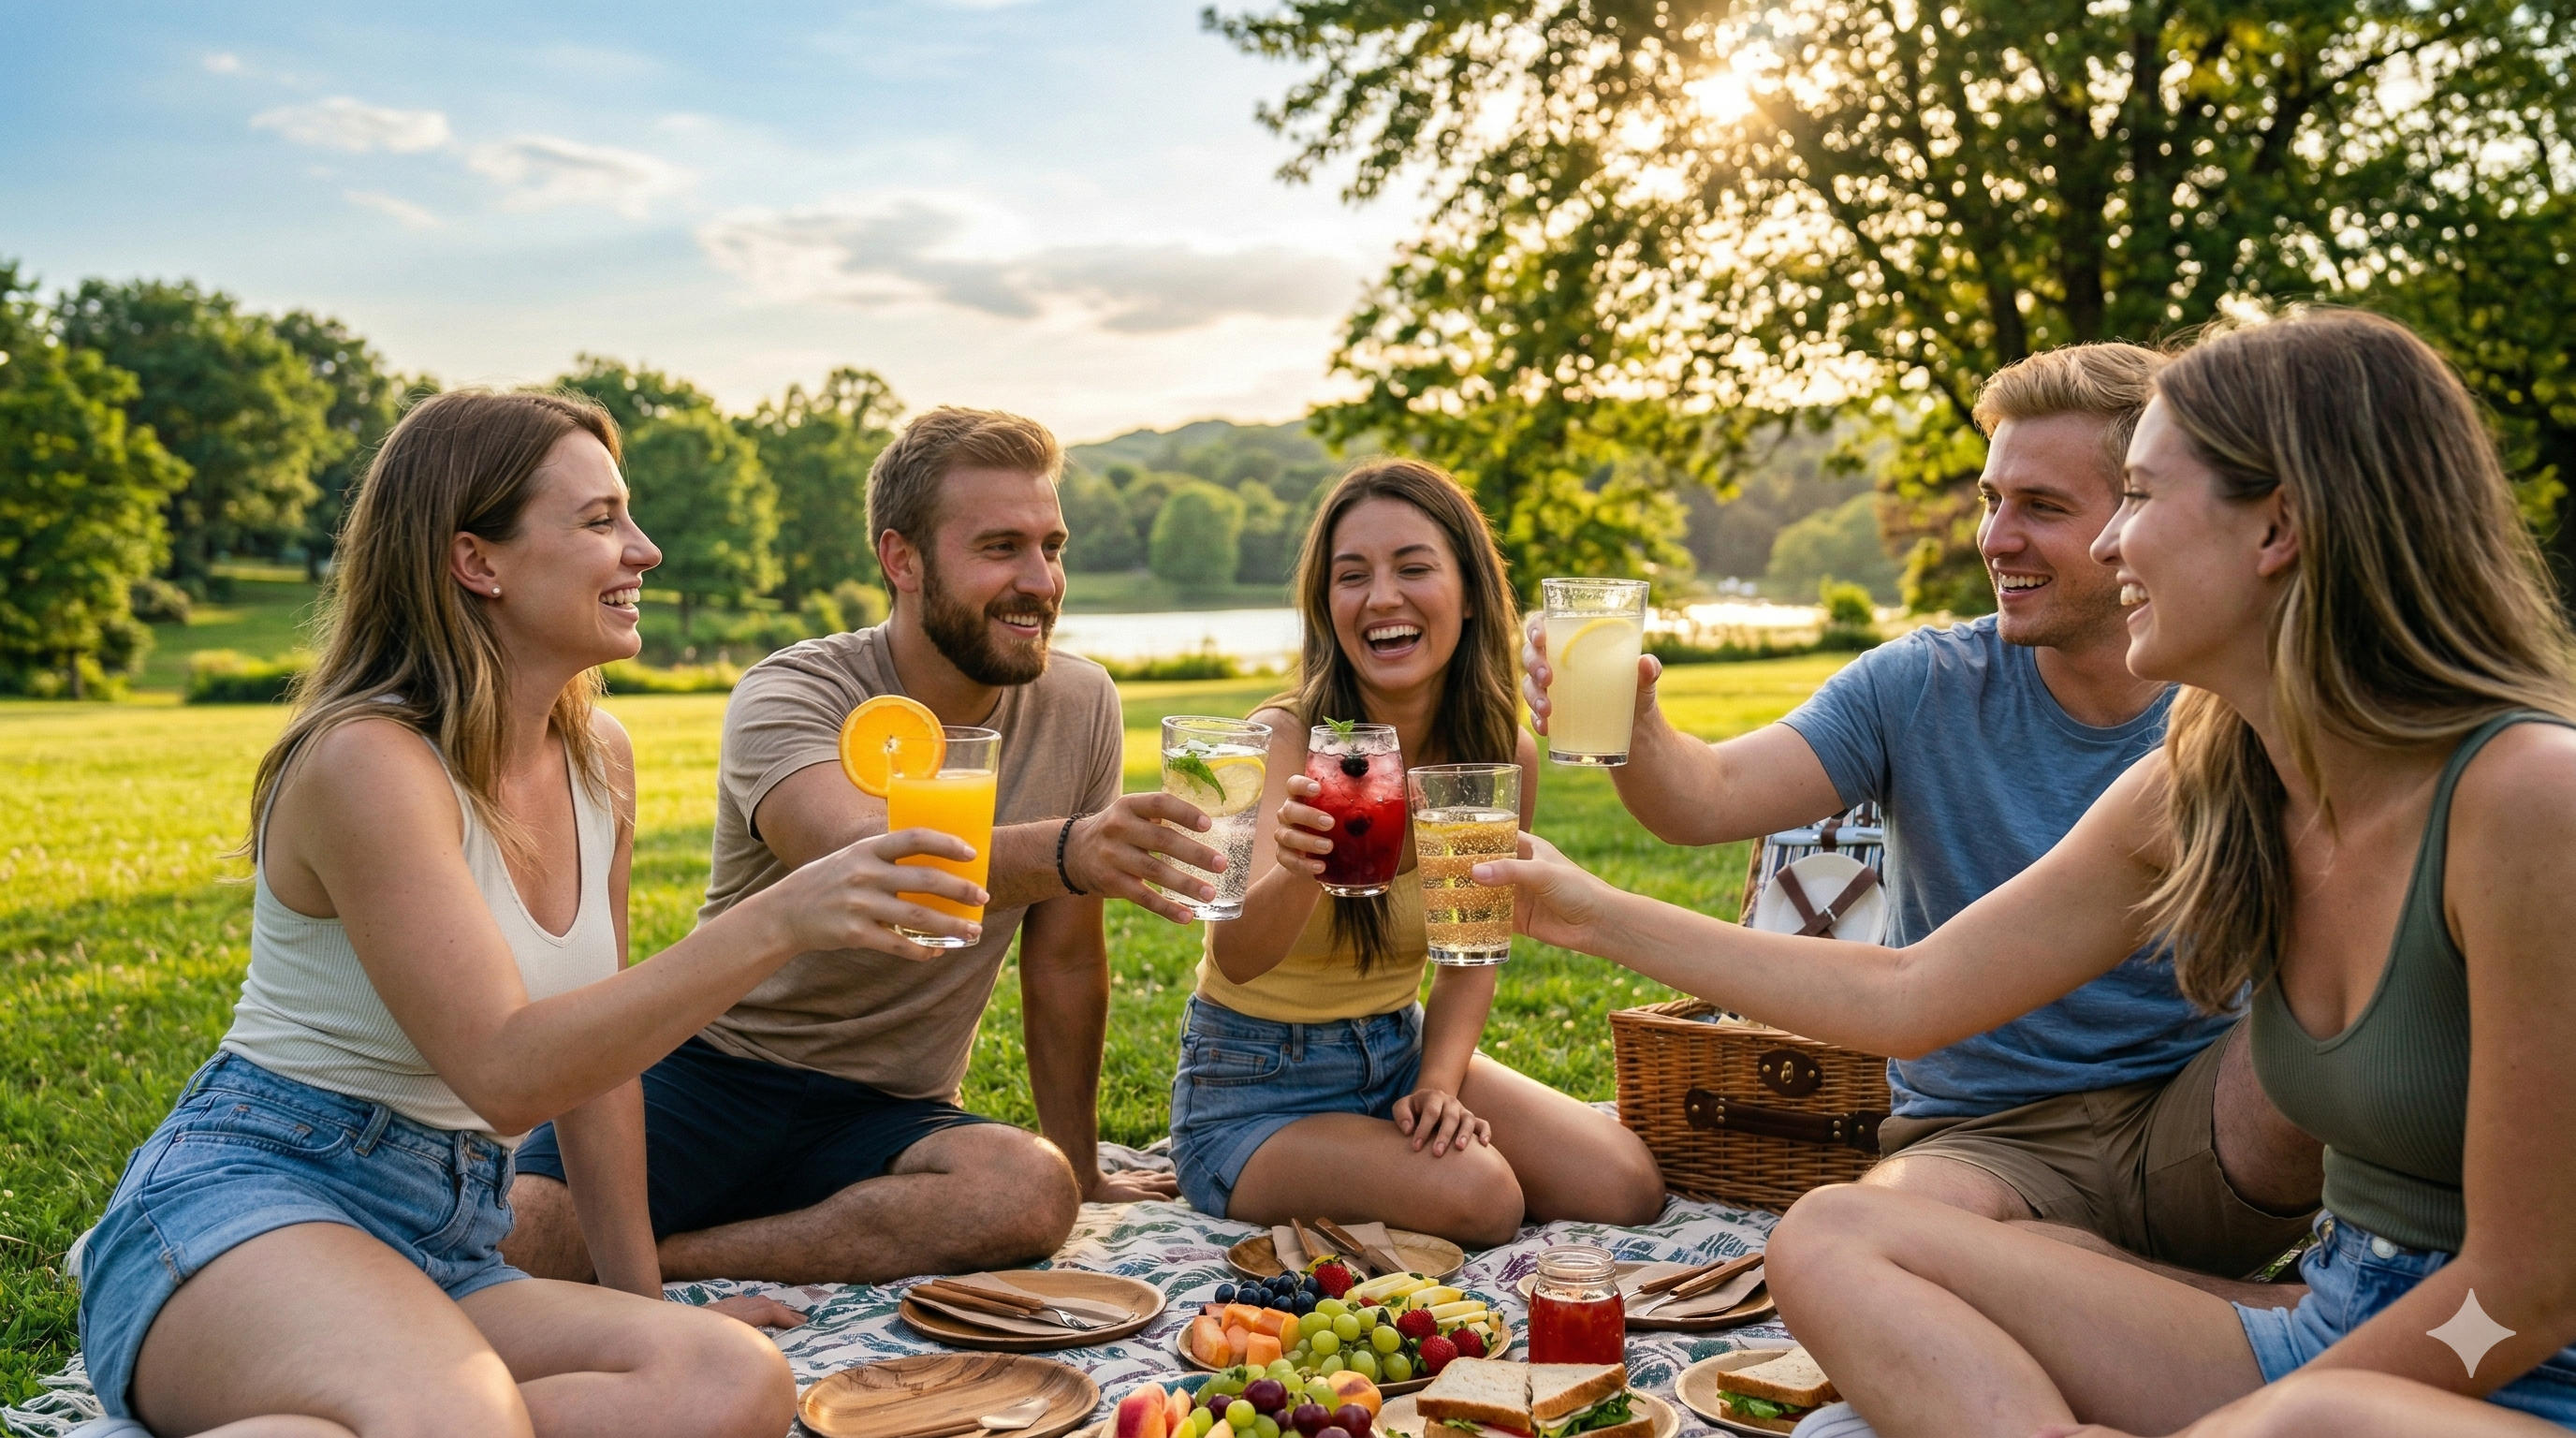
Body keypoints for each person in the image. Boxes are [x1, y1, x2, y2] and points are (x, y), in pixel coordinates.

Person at [1482, 309, 2576, 1432]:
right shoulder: (2211, 775)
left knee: (2310, 1425)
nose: (2110, 545)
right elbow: (1912, 995)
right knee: (1831, 1235)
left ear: (2279, 528)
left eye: (2138, 499)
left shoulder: (2528, 799)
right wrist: (1584, 910)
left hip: (2496, 1370)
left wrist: (2279, 1416)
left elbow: (2521, 1297)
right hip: (2321, 1324)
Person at [75, 389, 994, 1436]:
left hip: (451, 1236)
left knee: (727, 1381)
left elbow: (598, 1066)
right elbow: (508, 1073)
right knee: (459, 1420)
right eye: (600, 521)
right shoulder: (367, 763)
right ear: (479, 561)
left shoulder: (597, 759)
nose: (643, 551)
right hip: (256, 1204)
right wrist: (778, 919)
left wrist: (637, 1307)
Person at [1520, 343, 2321, 1296]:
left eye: (2043, 507)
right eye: (1991, 500)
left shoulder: (2237, 710)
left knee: (2332, 1027)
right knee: (1877, 1245)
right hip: (1983, 1142)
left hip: (2210, 1125)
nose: (1995, 538)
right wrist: (1638, 723)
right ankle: (2222, 1310)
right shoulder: (1922, 682)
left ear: (2139, 519)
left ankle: (2115, 1292)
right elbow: (1705, 801)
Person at [506, 405, 1216, 1288]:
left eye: (1053, 546)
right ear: (902, 559)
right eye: (1000, 548)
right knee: (521, 1232)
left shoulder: (1082, 703)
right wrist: (1070, 848)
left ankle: (670, 1262)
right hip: (711, 1070)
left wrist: (1086, 1168)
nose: (1040, 580)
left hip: (890, 1112)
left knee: (1030, 1191)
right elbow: (855, 850)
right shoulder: (792, 690)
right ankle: (712, 1250)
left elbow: (1066, 964)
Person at [1172, 459, 1664, 1247]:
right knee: (1483, 1199)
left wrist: (1438, 1084)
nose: (1382, 598)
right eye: (1352, 576)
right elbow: (1234, 956)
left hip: (1397, 1057)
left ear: (1467, 595)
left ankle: (1396, 1152)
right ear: (1327, 605)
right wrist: (1301, 868)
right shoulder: (1282, 739)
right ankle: (1345, 1173)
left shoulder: (1497, 753)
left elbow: (1473, 949)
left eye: (1412, 568)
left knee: (1625, 1185)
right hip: (1254, 1092)